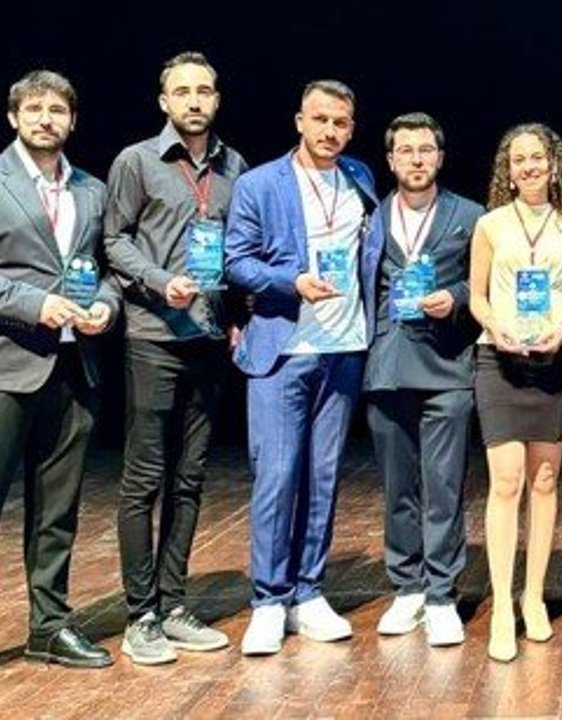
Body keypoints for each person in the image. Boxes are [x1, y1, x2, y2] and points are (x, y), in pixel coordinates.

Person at [103, 50, 248, 665]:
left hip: (208, 340)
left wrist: (237, 315)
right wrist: (162, 282)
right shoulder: (136, 161)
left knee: (190, 478)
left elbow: (238, 249)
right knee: (144, 479)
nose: (194, 101)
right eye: (182, 91)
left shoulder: (234, 166)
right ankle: (141, 615)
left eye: (204, 91)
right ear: (164, 101)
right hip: (153, 336)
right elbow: (113, 241)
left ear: (217, 98)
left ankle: (174, 603)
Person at [225, 79, 377, 656]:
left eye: (340, 122)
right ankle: (269, 600)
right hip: (283, 349)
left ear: (351, 129)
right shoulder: (260, 183)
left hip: (343, 348)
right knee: (277, 475)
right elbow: (237, 262)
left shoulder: (360, 178)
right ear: (299, 121)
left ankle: (308, 593)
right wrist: (292, 282)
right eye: (320, 119)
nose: (329, 131)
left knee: (323, 476)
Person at [0, 69, 117, 668]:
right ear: (14, 116)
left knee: (56, 511)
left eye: (57, 110)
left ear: (72, 121)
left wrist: (106, 306)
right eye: (35, 109)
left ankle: (49, 627)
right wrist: (33, 304)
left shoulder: (91, 190)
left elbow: (106, 268)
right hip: (6, 367)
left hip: (73, 365)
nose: (46, 119)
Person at [468, 122, 562, 662]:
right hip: (499, 359)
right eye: (518, 159)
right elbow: (476, 295)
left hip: (555, 360)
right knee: (506, 481)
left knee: (544, 481)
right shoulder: (490, 224)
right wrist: (496, 328)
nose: (529, 166)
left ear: (553, 162)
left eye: (537, 157)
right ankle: (501, 605)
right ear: (508, 169)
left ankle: (533, 596)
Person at [364, 112, 483, 645]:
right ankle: (407, 587)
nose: (416, 159)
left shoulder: (471, 216)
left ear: (440, 157)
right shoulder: (368, 218)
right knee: (398, 488)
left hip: (447, 366)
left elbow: (485, 284)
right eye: (406, 150)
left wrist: (454, 298)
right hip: (387, 366)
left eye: (425, 149)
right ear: (391, 160)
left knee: (444, 486)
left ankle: (440, 595)